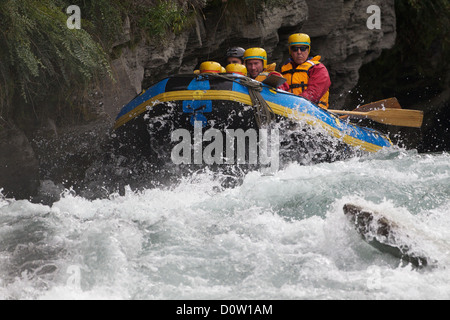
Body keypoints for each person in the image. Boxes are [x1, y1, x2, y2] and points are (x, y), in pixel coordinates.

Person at [281, 33, 331, 109]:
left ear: (308, 50)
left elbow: (314, 92)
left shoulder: (318, 68)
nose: (299, 52)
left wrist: (295, 103)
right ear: (290, 51)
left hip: (313, 109)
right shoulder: (284, 69)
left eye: (303, 48)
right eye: (295, 49)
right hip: (290, 107)